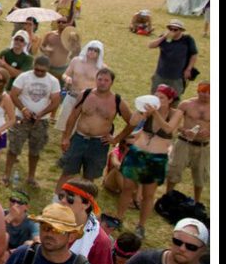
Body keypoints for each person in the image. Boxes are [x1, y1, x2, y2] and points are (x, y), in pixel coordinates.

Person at [115, 85, 182, 239]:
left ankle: (141, 226)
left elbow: (169, 129)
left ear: (170, 100)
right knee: (127, 188)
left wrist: (156, 114)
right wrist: (141, 113)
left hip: (156, 158)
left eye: (162, 98)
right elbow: (132, 121)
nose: (157, 100)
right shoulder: (148, 110)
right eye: (156, 96)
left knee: (148, 194)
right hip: (137, 154)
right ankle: (118, 218)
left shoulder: (175, 113)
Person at [57, 67, 133, 195]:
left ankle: (85, 204)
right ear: (96, 80)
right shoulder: (85, 94)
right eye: (100, 79)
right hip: (78, 139)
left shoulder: (117, 101)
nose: (102, 82)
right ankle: (56, 201)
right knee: (67, 172)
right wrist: (66, 137)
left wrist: (116, 139)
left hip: (98, 143)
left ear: (111, 83)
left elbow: (131, 122)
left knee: (89, 177)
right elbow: (73, 116)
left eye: (106, 80)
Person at [5, 55, 61, 189]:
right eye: (37, 69)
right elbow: (13, 94)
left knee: (35, 150)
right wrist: (23, 109)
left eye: (43, 71)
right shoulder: (24, 77)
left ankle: (31, 177)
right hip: (21, 119)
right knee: (14, 147)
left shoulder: (53, 81)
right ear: (33, 66)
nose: (39, 72)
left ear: (48, 69)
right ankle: (6, 175)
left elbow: (56, 101)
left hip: (40, 122)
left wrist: (41, 114)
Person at [57, 179, 114, 264]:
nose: (62, 201)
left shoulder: (100, 241)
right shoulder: (49, 221)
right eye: (61, 196)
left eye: (70, 198)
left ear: (86, 204)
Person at [166, 81, 210, 202]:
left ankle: (197, 201)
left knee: (200, 175)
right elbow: (174, 124)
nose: (205, 95)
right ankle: (167, 197)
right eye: (203, 91)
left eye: (209, 92)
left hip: (203, 146)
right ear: (198, 91)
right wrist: (185, 131)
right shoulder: (186, 104)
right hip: (184, 142)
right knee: (174, 171)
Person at [55, 40, 106, 132]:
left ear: (99, 53)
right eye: (90, 49)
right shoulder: (76, 61)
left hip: (87, 99)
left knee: (80, 126)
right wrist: (67, 78)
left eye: (95, 50)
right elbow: (65, 74)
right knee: (65, 122)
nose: (92, 52)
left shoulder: (102, 68)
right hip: (72, 94)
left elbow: (104, 86)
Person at [148, 19, 198, 98]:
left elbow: (194, 54)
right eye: (170, 29)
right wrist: (164, 37)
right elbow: (150, 45)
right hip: (161, 74)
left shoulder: (187, 39)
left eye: (175, 29)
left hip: (177, 76)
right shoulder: (164, 38)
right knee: (155, 96)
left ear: (181, 30)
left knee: (174, 98)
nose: (172, 31)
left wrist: (188, 69)